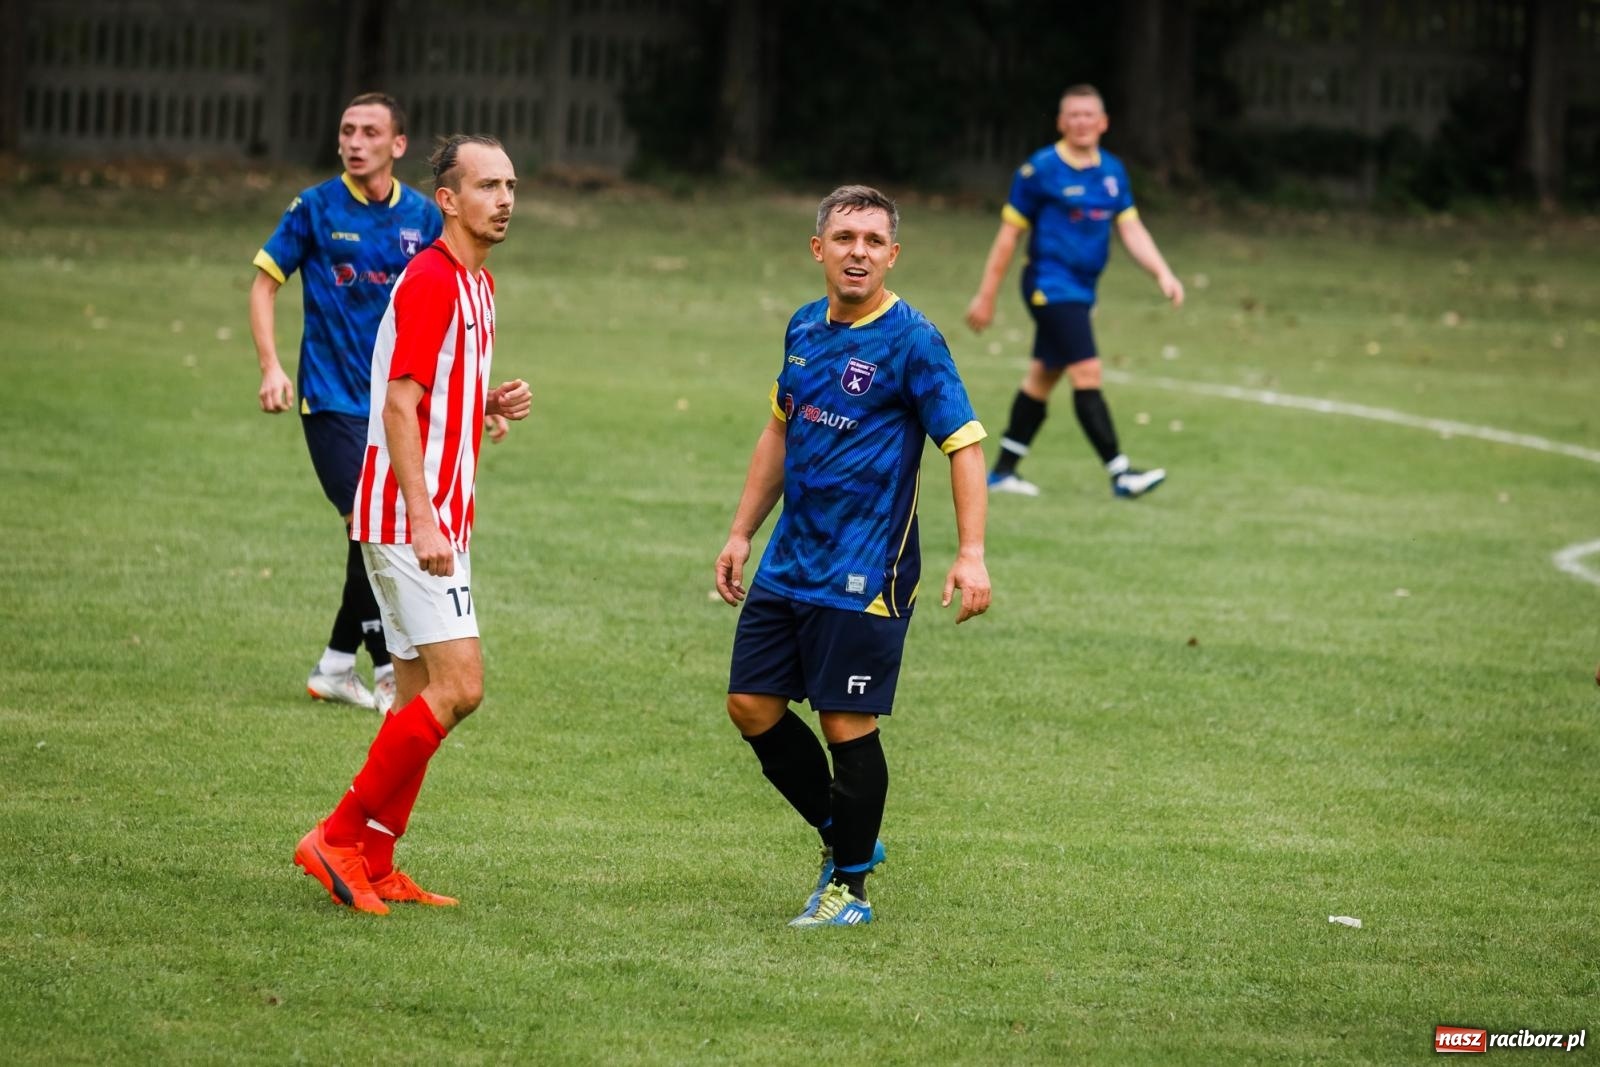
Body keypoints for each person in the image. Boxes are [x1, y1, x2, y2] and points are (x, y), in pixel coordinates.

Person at [715, 185, 992, 928]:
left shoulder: (912, 341)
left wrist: (972, 552)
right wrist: (743, 529)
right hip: (790, 558)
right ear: (819, 249)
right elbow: (780, 430)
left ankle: (851, 891)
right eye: (845, 238)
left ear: (892, 254)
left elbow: (964, 443)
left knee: (844, 721)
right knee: (750, 705)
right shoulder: (804, 326)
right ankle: (847, 836)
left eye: (873, 240)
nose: (858, 251)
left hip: (867, 568)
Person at [294, 134, 530, 914]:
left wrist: (484, 404)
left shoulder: (480, 285)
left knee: (418, 694)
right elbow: (397, 404)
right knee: (462, 687)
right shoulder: (431, 279)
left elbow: (431, 391)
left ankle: (372, 857)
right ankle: (333, 835)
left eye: (510, 185)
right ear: (449, 201)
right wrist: (425, 521)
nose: (503, 199)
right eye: (486, 186)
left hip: (431, 518)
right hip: (409, 520)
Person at [249, 92, 448, 714]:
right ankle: (389, 668)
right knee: (367, 529)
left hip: (399, 405)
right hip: (331, 400)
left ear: (398, 145)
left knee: (369, 529)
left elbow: (451, 308)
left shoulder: (423, 216)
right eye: (346, 131)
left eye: (369, 132)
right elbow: (262, 286)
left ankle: (336, 666)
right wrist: (271, 367)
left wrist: (475, 397)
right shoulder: (314, 208)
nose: (355, 141)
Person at [965, 84, 1184, 499]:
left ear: (1103, 123)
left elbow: (1130, 227)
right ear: (1061, 122)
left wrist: (1162, 273)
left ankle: (1003, 473)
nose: (1082, 122)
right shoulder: (1040, 171)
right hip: (1048, 285)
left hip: (1082, 290)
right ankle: (1121, 474)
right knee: (1087, 372)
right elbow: (1008, 237)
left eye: (1090, 115)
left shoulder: (1113, 172)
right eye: (1074, 115)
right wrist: (986, 295)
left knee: (1043, 377)